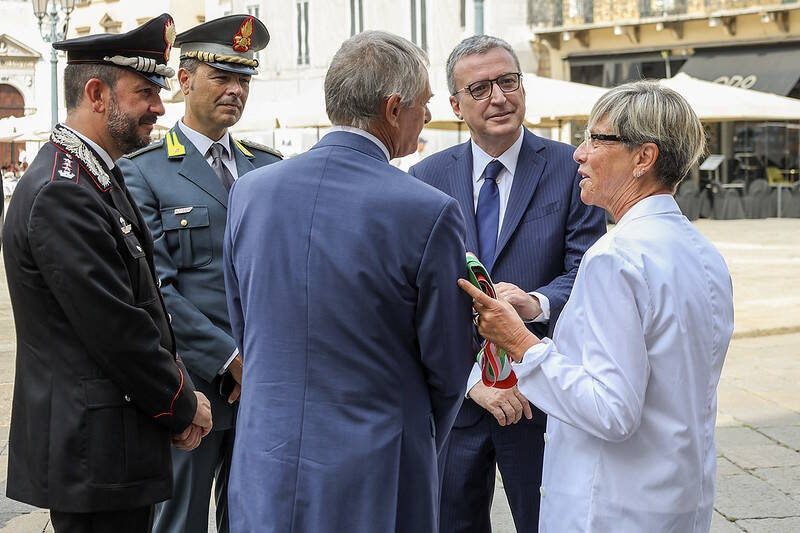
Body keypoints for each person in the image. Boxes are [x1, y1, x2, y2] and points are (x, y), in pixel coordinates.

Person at [223, 30, 473, 532]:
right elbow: (448, 366)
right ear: (393, 108)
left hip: (266, 463)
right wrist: (417, 439)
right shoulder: (428, 210)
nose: (428, 117)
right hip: (377, 471)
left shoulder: (251, 192)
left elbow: (244, 325)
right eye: (423, 104)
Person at [461, 80, 735, 533]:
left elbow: (611, 411)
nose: (578, 154)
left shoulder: (615, 258)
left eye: (596, 139)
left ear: (643, 158)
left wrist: (520, 343)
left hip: (612, 506)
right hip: (677, 495)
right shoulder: (701, 251)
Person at [1, 14, 212, 532]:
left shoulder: (91, 176)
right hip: (93, 453)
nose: (160, 108)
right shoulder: (63, 192)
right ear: (97, 94)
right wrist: (182, 404)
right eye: (145, 92)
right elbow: (117, 328)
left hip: (108, 448)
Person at [408, 35, 606, 532]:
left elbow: (587, 269)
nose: (498, 97)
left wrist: (536, 304)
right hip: (459, 403)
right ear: (455, 105)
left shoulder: (572, 167)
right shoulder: (425, 177)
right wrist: (472, 382)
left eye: (508, 81)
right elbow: (413, 295)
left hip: (543, 397)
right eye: (479, 89)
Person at [118, 14, 280, 533]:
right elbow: (155, 291)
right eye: (222, 77)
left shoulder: (267, 168)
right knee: (179, 521)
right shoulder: (143, 170)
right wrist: (231, 358)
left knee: (256, 518)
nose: (236, 90)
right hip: (193, 386)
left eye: (245, 79)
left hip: (264, 383)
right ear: (185, 80)